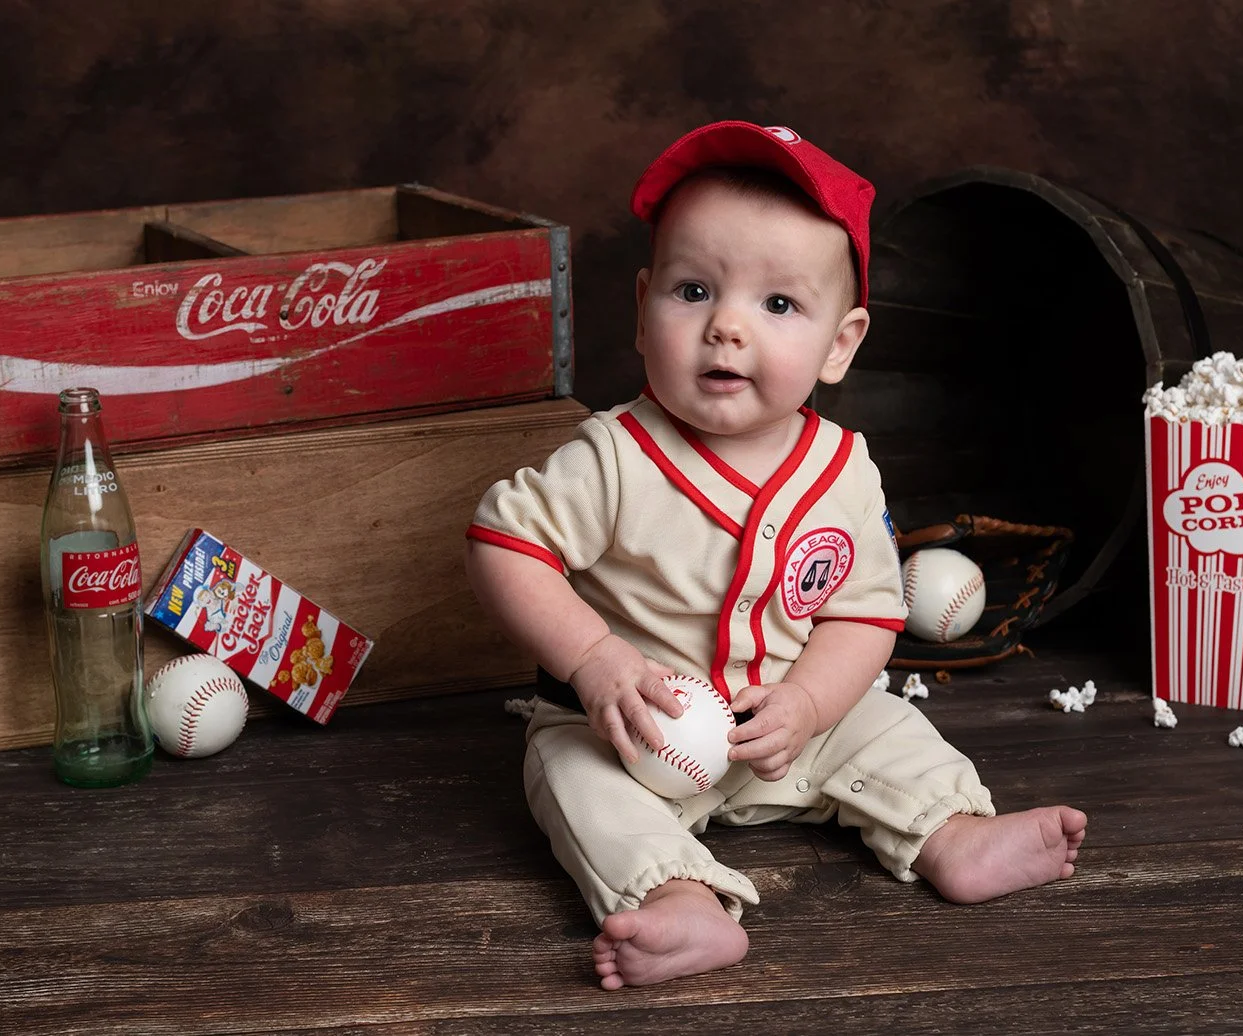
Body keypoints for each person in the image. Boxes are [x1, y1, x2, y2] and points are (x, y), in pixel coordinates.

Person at [466, 120, 1087, 990]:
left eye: (778, 305)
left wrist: (807, 700)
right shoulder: (612, 456)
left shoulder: (842, 469)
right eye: (691, 291)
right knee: (567, 777)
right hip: (629, 734)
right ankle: (679, 898)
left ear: (840, 343)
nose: (725, 327)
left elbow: (864, 611)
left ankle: (951, 832)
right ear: (642, 308)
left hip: (791, 730)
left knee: (885, 723)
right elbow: (504, 545)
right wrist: (597, 663)